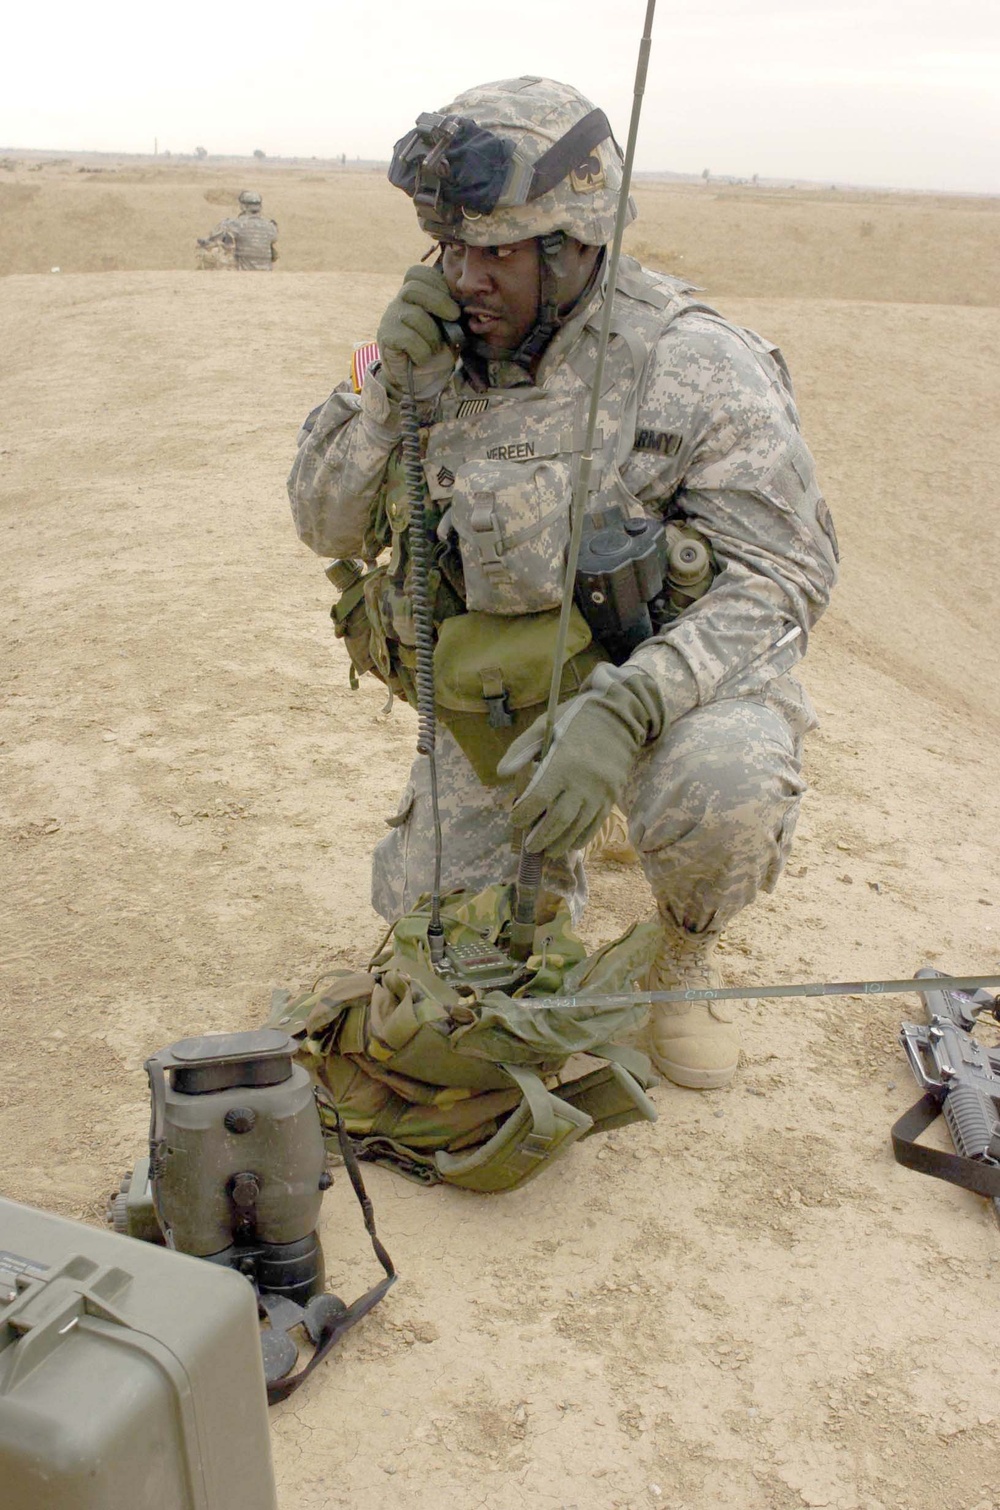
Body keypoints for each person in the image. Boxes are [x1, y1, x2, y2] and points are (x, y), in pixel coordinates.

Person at [287, 77, 838, 1092]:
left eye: (494, 252)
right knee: (451, 997)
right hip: (504, 699)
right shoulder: (432, 346)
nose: (465, 277)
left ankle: (682, 953)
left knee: (721, 792)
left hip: (665, 683)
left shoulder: (691, 361)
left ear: (575, 242)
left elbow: (785, 577)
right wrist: (383, 403)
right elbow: (322, 524)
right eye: (449, 249)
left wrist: (627, 709)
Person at [197, 189, 278, 270]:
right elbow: (273, 240)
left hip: (243, 271)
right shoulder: (271, 226)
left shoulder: (234, 224)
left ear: (243, 206)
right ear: (260, 207)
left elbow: (212, 239)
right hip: (266, 271)